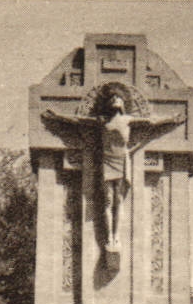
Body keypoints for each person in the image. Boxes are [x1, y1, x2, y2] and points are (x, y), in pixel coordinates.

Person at [42, 91, 184, 253]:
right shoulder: (102, 121)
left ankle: (117, 236)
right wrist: (57, 117)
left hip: (122, 160)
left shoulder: (128, 120)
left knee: (119, 200)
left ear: (123, 105)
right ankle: (109, 237)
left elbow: (151, 122)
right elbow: (78, 121)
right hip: (107, 160)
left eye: (119, 98)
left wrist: (172, 120)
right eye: (113, 98)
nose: (116, 100)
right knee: (108, 201)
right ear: (109, 105)